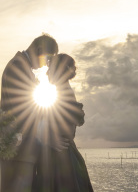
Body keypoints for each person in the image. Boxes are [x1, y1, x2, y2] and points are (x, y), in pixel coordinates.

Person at [0, 34, 62, 192]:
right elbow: (26, 110)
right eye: (48, 59)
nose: (47, 66)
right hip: (17, 145)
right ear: (39, 50)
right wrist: (49, 137)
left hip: (17, 143)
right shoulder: (18, 66)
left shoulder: (19, 65)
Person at [32, 54, 94, 192]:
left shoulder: (65, 94)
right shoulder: (62, 93)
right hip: (62, 157)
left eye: (50, 68)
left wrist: (47, 139)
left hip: (60, 161)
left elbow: (65, 130)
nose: (47, 73)